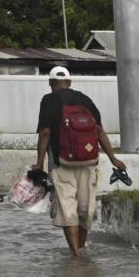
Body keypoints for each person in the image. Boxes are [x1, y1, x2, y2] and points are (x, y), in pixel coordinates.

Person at [34, 66, 126, 256]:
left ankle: (75, 255)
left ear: (51, 83)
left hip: (62, 164)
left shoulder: (48, 100)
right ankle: (82, 251)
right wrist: (113, 158)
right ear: (69, 82)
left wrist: (39, 163)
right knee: (85, 210)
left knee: (68, 211)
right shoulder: (85, 100)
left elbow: (45, 132)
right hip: (88, 162)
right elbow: (99, 130)